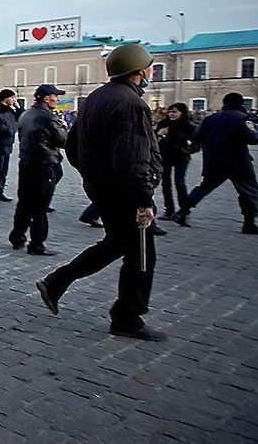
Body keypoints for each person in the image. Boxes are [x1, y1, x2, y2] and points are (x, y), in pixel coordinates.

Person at [37, 43, 165, 341]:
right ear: (138, 70)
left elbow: (73, 146)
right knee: (141, 255)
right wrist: (143, 199)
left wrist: (92, 175)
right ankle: (127, 317)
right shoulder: (131, 104)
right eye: (148, 66)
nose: (150, 71)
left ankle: (57, 282)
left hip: (104, 188)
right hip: (126, 191)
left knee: (117, 243)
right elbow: (133, 157)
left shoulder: (96, 97)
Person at [173, 92, 258, 235]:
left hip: (214, 161)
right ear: (240, 103)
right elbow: (253, 138)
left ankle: (182, 211)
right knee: (249, 191)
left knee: (204, 188)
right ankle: (249, 223)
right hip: (238, 162)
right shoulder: (242, 118)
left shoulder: (210, 119)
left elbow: (196, 137)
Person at [9, 84, 67, 256]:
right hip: (44, 164)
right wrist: (63, 126)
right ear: (47, 98)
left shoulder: (26, 114)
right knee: (41, 205)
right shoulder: (49, 118)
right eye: (56, 96)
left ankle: (17, 236)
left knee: (24, 202)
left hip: (26, 162)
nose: (57, 99)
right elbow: (63, 140)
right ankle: (37, 244)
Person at [155, 102, 197, 220]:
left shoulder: (189, 126)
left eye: (175, 112)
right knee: (165, 183)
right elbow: (154, 139)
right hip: (165, 156)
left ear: (182, 113)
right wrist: (159, 134)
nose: (171, 114)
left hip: (181, 157)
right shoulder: (163, 124)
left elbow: (196, 144)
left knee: (180, 182)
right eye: (170, 111)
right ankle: (169, 209)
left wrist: (187, 149)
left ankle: (184, 208)